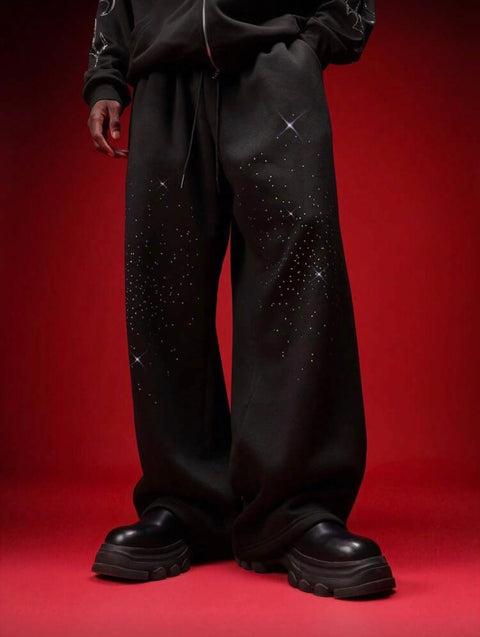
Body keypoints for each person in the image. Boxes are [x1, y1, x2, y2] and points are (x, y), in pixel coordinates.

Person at [82, 0, 396, 599]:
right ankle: (187, 502)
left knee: (298, 286)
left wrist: (314, 43)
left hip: (272, 60)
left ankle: (294, 509)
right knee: (163, 294)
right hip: (164, 74)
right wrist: (106, 72)